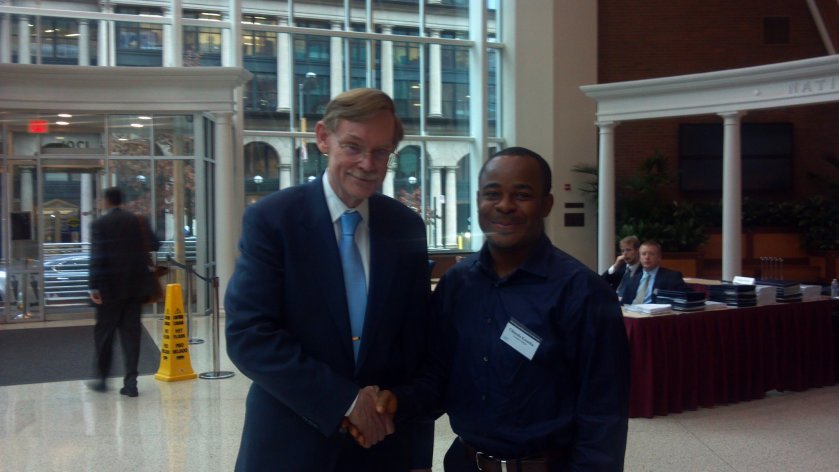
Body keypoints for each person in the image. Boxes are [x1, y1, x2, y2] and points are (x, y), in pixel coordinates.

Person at [225, 88, 433, 472]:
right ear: (323, 138)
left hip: (382, 447)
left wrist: (417, 454)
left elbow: (416, 349)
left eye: (381, 152)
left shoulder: (406, 228)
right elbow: (249, 335)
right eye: (353, 147)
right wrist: (348, 403)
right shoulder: (273, 220)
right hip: (290, 445)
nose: (367, 164)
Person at [387, 147, 630, 471]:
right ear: (477, 201)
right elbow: (437, 376)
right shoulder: (457, 285)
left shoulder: (584, 293)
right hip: (465, 463)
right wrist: (395, 402)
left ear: (546, 204)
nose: (504, 205)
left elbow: (603, 414)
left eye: (522, 194)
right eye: (492, 194)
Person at [88, 186, 160, 397]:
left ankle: (102, 380)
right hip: (134, 288)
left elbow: (97, 256)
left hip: (108, 290)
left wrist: (94, 286)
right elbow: (155, 244)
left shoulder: (100, 224)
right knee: (132, 336)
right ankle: (131, 383)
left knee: (104, 336)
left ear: (106, 201)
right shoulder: (138, 221)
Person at [622, 239, 690, 305]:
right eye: (643, 254)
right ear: (639, 257)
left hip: (656, 315)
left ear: (659, 257)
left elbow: (688, 297)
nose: (647, 257)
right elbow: (624, 303)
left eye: (651, 254)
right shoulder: (633, 279)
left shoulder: (671, 277)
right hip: (631, 313)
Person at [601, 235, 641, 301]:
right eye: (623, 251)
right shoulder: (620, 268)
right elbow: (601, 282)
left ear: (637, 251)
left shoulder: (644, 270)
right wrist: (615, 266)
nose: (625, 254)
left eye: (628, 250)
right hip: (613, 302)